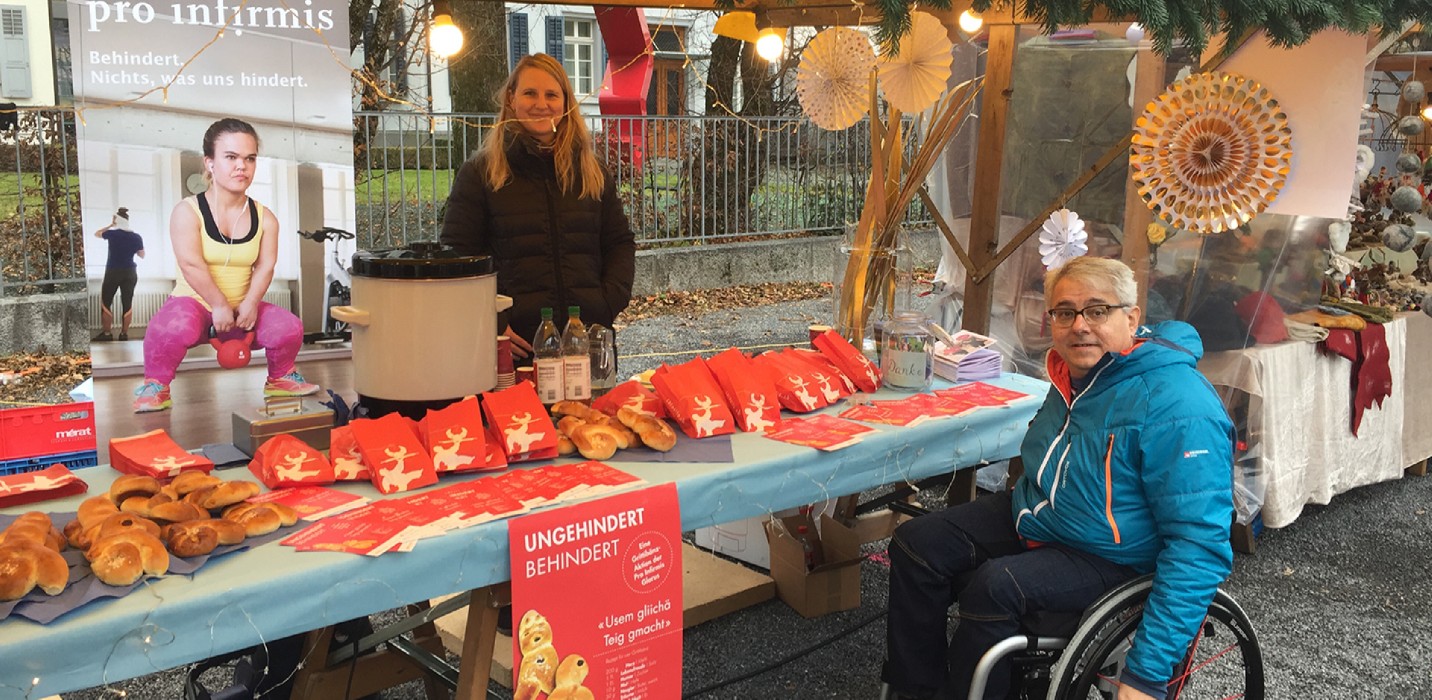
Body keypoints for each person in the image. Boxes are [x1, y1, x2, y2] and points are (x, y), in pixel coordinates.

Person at [882, 256, 1234, 700]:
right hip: (1047, 516)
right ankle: (917, 690)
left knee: (996, 586)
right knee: (918, 544)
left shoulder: (1177, 404)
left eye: (1097, 310)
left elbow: (1199, 547)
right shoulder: (1076, 375)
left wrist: (1146, 674)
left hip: (1115, 555)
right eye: (1065, 312)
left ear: (1132, 317)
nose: (1080, 325)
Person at [440, 53, 635, 359]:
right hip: (516, 346)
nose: (541, 104)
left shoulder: (592, 170)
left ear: (565, 102)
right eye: (530, 93)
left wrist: (606, 303)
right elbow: (457, 258)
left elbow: (619, 243)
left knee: (589, 410)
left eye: (551, 95)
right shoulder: (481, 172)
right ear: (511, 99)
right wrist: (493, 321)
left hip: (586, 342)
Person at [132, 118, 318, 412]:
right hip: (193, 304)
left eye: (249, 158)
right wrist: (218, 304)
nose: (241, 166)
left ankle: (280, 379)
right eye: (230, 157)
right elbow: (191, 264)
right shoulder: (187, 211)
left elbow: (266, 266)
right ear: (209, 163)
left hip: (243, 308)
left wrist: (251, 302)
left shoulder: (265, 217)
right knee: (169, 328)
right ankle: (156, 386)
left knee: (289, 328)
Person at [93, 206, 145, 341]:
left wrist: (111, 225)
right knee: (127, 303)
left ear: (117, 220)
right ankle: (124, 334)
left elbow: (97, 233)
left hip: (113, 272)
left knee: (106, 302)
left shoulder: (112, 234)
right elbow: (142, 255)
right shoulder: (136, 237)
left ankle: (107, 334)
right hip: (130, 272)